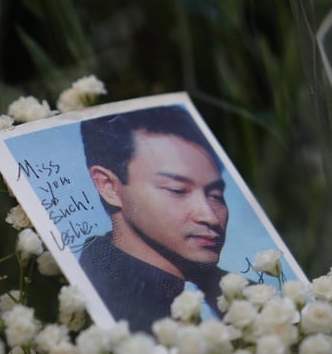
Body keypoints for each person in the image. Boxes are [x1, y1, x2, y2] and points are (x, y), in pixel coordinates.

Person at [78, 105, 228, 332]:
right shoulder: (92, 297)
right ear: (109, 187)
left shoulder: (251, 297)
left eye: (215, 195)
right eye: (177, 190)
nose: (210, 217)